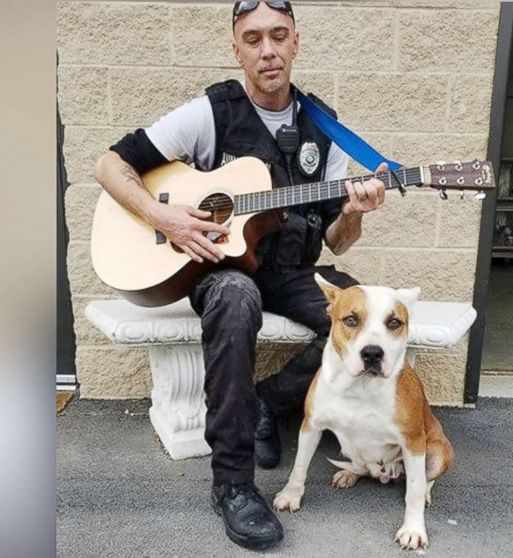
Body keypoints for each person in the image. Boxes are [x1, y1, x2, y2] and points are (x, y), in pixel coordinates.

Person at [94, 1, 387, 550]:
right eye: (253, 39)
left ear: (296, 42)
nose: (268, 50)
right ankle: (233, 485)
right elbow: (110, 165)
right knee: (233, 295)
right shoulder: (210, 113)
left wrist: (353, 211)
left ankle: (267, 403)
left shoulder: (327, 133)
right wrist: (166, 218)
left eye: (279, 36)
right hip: (223, 267)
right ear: (237, 49)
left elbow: (336, 241)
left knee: (358, 312)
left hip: (293, 267)